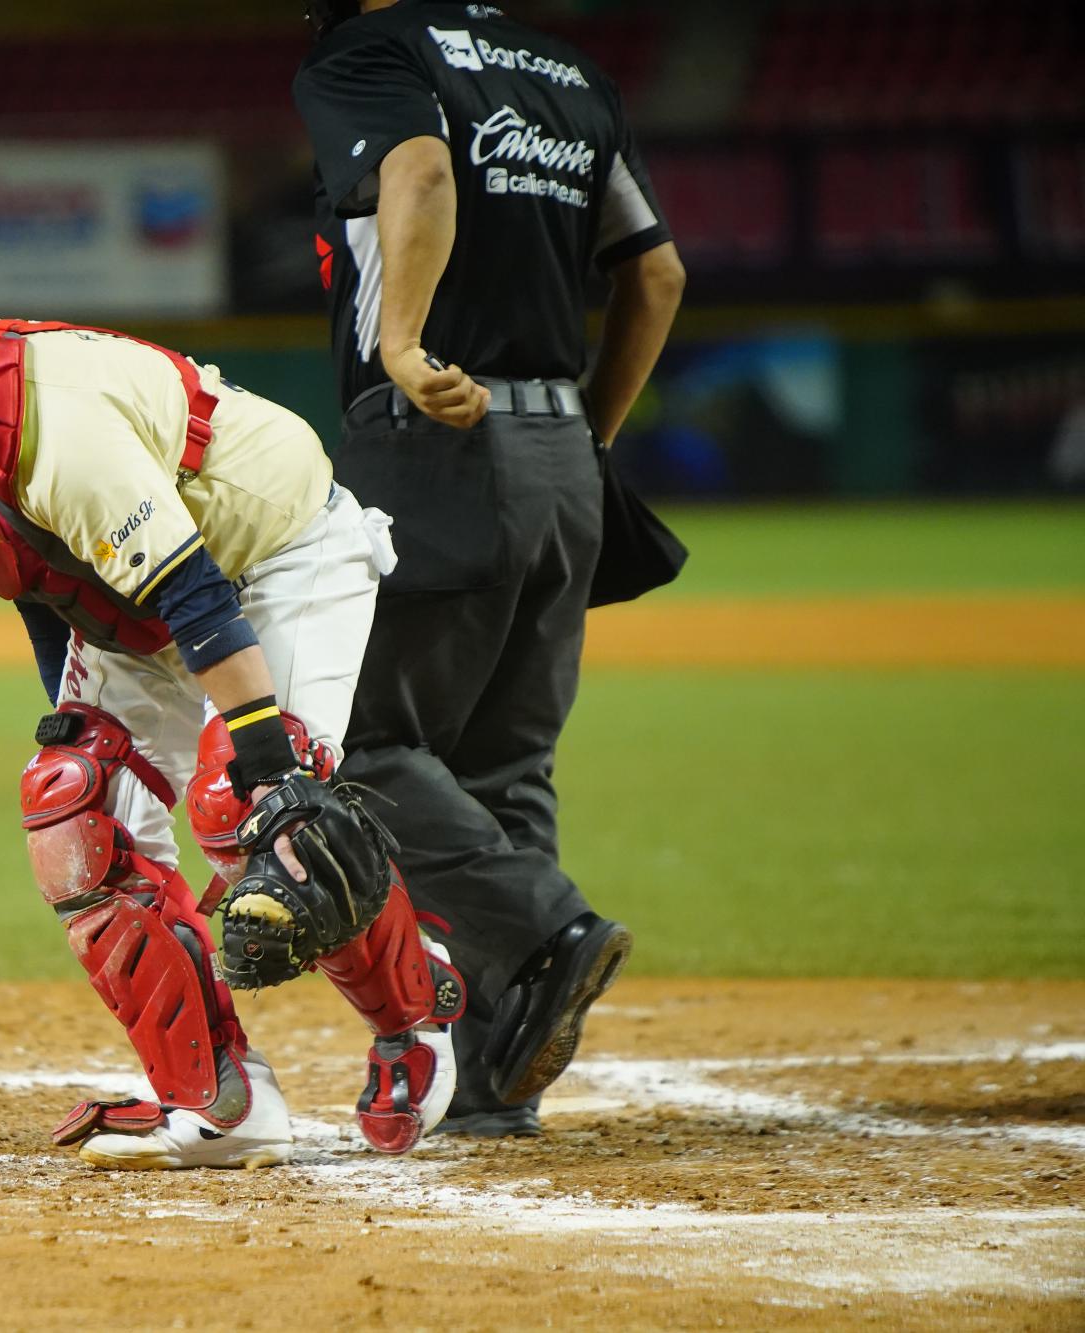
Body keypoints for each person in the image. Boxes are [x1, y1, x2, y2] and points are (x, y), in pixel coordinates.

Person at [0, 301, 469, 1169]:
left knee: (251, 803)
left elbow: (194, 590)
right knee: (72, 803)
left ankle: (413, 1013)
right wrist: (88, 735)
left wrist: (268, 764)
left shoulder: (48, 429)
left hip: (277, 546)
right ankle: (222, 1099)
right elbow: (43, 585)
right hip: (147, 605)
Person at [294, 1, 687, 1135]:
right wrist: (589, 440)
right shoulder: (569, 71)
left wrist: (405, 346)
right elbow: (653, 274)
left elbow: (417, 173)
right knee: (504, 768)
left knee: (354, 746)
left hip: (434, 442)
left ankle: (548, 931)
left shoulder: (367, 52)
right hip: (564, 452)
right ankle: (493, 1088)